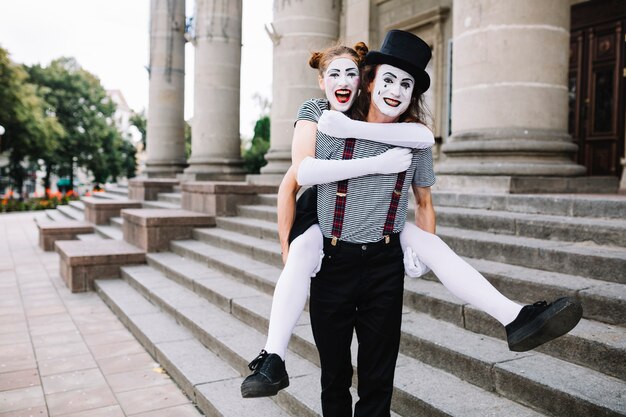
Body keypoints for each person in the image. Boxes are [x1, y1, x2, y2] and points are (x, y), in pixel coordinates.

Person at [242, 31, 583, 414]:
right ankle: (273, 358)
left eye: (406, 84)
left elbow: (424, 202)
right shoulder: (326, 122)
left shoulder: (415, 139)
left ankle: (516, 318)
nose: (396, 90)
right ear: (369, 82)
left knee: (379, 376)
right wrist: (288, 249)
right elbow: (293, 181)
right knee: (334, 375)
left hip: (383, 266)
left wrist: (419, 250)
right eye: (388, 79)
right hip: (333, 261)